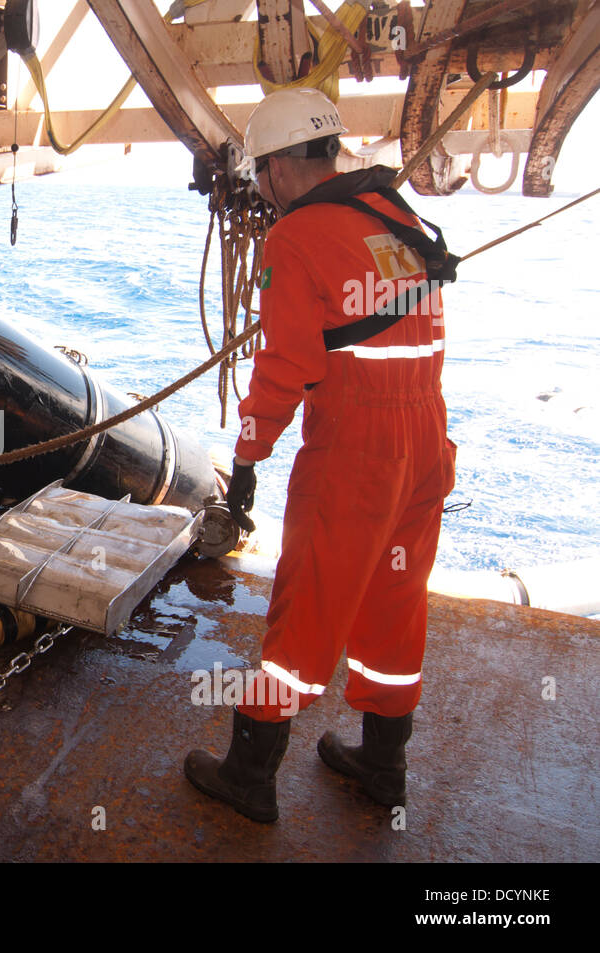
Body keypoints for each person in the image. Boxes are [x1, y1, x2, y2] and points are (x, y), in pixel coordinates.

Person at [184, 88, 458, 821]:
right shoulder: (394, 214)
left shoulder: (296, 238)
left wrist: (245, 460)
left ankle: (249, 771)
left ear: (273, 169)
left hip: (356, 454)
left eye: (261, 178)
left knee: (305, 610)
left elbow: (285, 369)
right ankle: (383, 761)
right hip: (425, 438)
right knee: (395, 605)